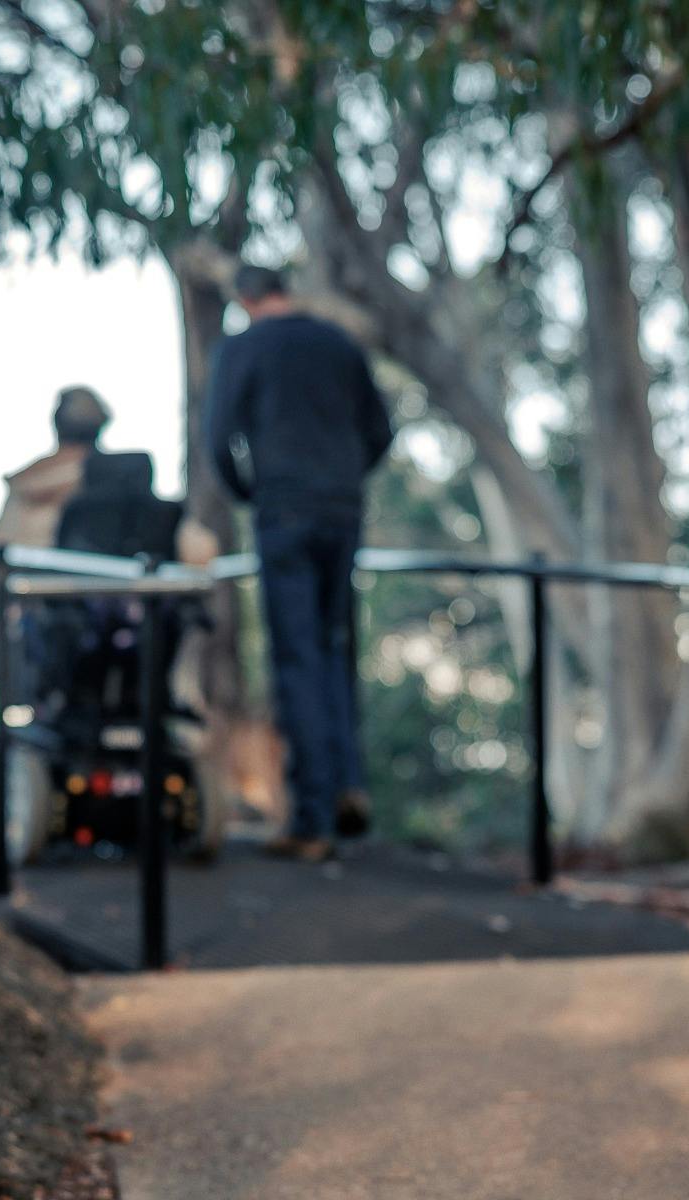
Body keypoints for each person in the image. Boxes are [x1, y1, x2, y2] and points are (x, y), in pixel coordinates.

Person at [204, 264, 394, 862]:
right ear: (285, 292)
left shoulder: (243, 346)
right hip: (342, 509)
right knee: (336, 645)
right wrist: (343, 481)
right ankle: (348, 784)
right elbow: (382, 431)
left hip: (284, 509)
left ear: (245, 299)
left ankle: (311, 819)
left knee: (297, 655)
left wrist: (251, 492)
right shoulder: (338, 342)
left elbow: (218, 438)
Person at [0, 386, 111, 548]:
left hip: (31, 568)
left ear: (56, 423)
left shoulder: (28, 484)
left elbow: (0, 544)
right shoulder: (116, 479)